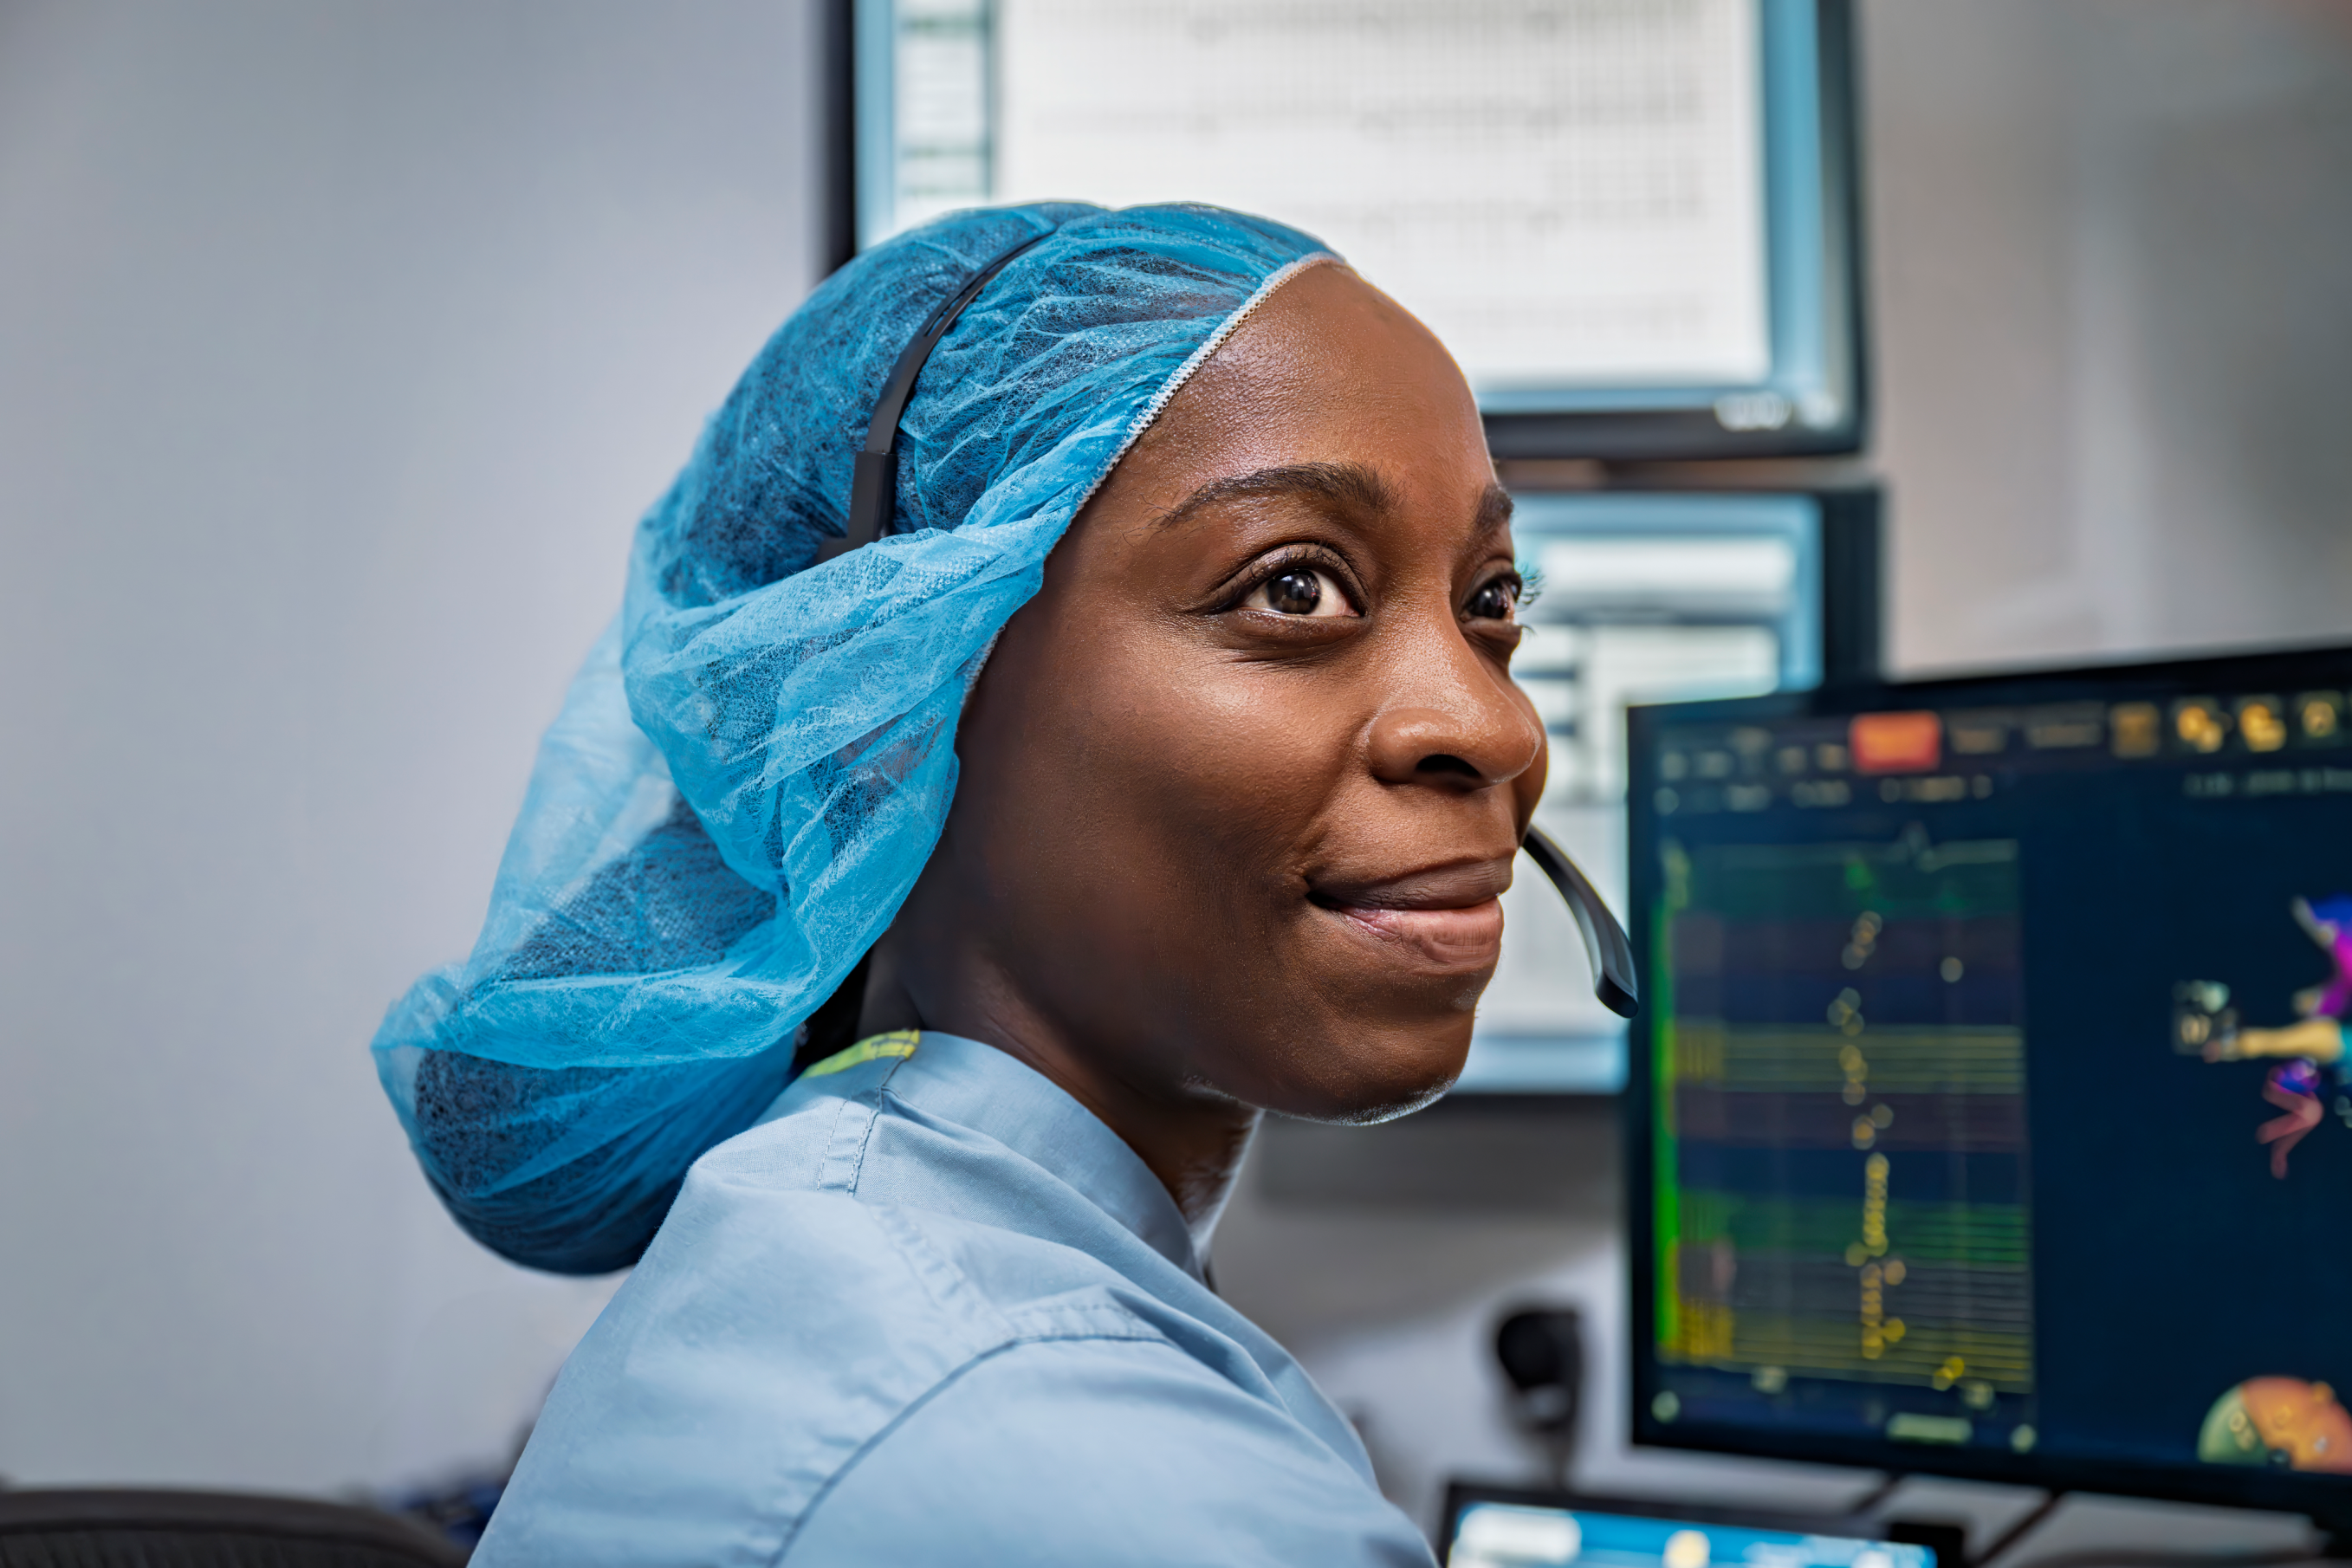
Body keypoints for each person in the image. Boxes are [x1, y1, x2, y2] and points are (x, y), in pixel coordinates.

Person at [379, 201, 1558, 1564]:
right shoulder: (1059, 1455)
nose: (1494, 727)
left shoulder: (845, 1231)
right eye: (1294, 588)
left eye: (1489, 601)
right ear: (887, 699)